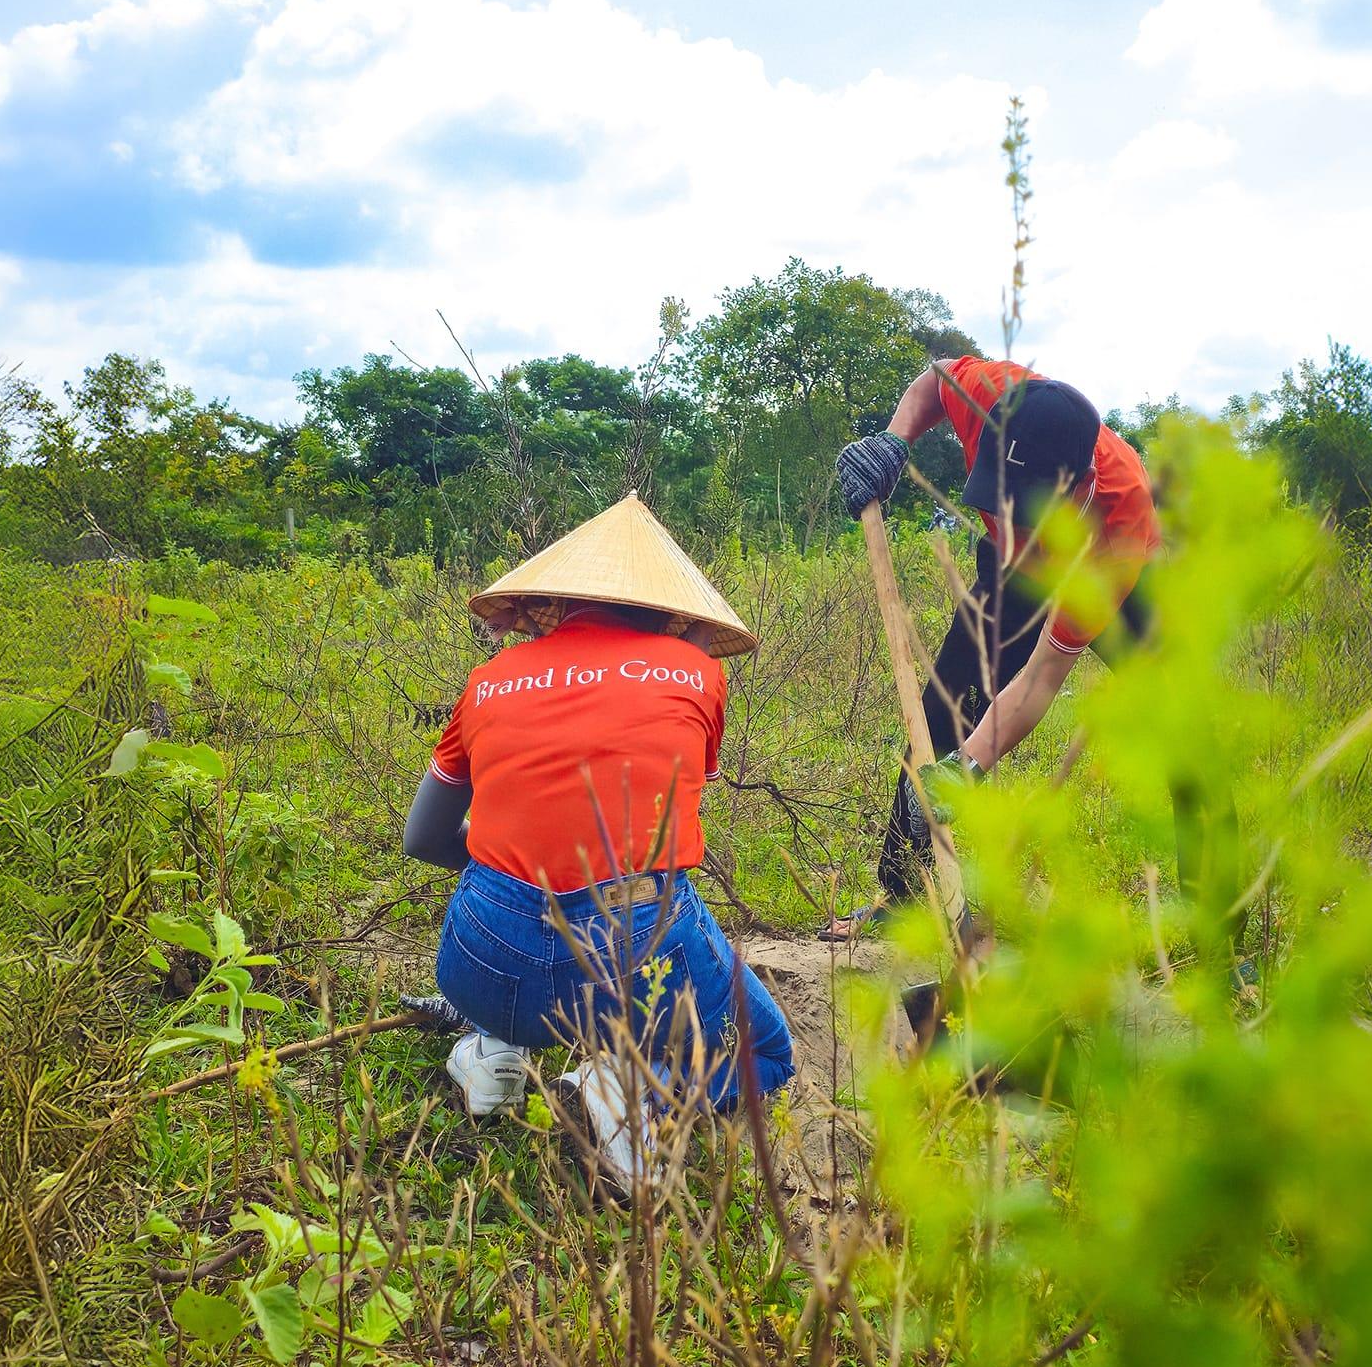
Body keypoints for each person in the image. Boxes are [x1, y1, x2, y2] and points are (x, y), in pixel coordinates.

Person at [401, 492, 795, 1184]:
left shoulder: (487, 681)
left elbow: (422, 837)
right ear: (672, 610)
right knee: (764, 1049)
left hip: (482, 966)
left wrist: (509, 866)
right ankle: (634, 1089)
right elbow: (666, 803)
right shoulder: (699, 674)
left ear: (557, 603)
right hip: (629, 957)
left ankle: (491, 1051)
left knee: (499, 875)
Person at [824, 355, 1237, 940]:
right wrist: (893, 442)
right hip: (1011, 572)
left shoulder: (1120, 520)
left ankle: (1215, 938)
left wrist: (970, 768)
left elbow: (1043, 676)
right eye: (1003, 500)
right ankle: (904, 896)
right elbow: (934, 380)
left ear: (1081, 488)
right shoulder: (985, 394)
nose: (1014, 521)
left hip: (1102, 573)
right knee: (944, 704)